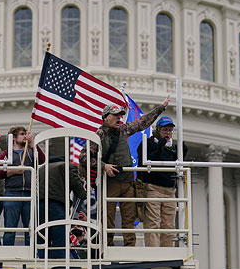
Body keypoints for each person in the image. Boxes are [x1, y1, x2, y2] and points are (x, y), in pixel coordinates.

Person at [80, 95, 169, 247]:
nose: (119, 118)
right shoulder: (99, 135)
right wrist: (103, 166)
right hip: (110, 184)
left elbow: (142, 123)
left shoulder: (123, 130)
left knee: (129, 219)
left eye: (120, 115)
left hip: (128, 183)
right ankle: (107, 249)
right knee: (107, 219)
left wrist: (161, 107)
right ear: (105, 118)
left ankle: (129, 249)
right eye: (115, 115)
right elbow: (83, 157)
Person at [136, 116, 188, 247]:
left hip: (170, 191)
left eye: (170, 130)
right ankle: (154, 254)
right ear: (158, 130)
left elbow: (175, 162)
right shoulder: (148, 144)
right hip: (153, 188)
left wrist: (182, 150)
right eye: (165, 130)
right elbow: (145, 163)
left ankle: (167, 254)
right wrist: (159, 147)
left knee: (168, 225)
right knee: (153, 223)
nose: (168, 133)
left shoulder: (171, 149)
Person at [0, 126, 45, 246]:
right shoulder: (6, 155)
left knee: (31, 228)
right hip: (12, 193)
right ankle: (8, 255)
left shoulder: (30, 152)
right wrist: (14, 171)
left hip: (30, 193)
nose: (25, 136)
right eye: (22, 134)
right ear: (13, 138)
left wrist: (33, 142)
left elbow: (42, 160)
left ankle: (31, 255)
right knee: (10, 228)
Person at [37, 156, 87, 259]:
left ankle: (41, 265)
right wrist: (83, 192)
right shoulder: (67, 166)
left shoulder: (41, 168)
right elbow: (78, 188)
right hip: (57, 205)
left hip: (39, 206)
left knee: (42, 239)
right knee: (59, 240)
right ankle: (59, 265)